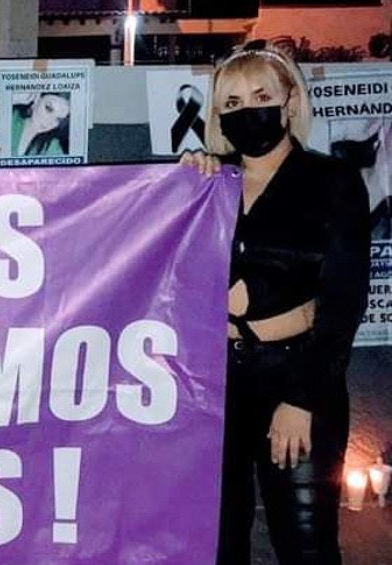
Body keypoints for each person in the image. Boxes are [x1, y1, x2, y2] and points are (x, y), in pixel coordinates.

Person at [181, 40, 370, 565]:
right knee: (217, 540)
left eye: (261, 95)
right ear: (218, 113)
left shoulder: (332, 182)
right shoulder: (206, 182)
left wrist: (302, 397)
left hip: (296, 373)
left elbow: (345, 302)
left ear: (289, 99)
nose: (249, 111)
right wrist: (181, 184)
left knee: (304, 540)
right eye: (233, 103)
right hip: (213, 383)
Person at [12, 92, 70, 156]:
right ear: (37, 99)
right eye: (49, 108)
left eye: (58, 119)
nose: (50, 121)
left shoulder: (51, 146)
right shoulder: (11, 116)